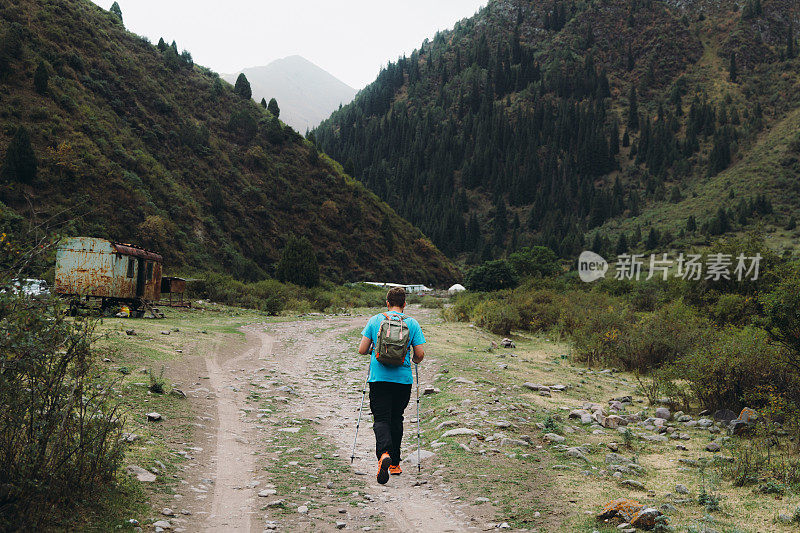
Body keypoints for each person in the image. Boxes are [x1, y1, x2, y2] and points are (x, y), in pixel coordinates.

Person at [357, 287, 425, 485]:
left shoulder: (375, 320)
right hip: (403, 381)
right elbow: (419, 355)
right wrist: (413, 359)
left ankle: (384, 453)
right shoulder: (412, 323)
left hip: (379, 380)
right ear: (404, 304)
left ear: (387, 303)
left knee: (381, 419)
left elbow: (361, 350)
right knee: (397, 418)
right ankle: (394, 463)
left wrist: (374, 350)